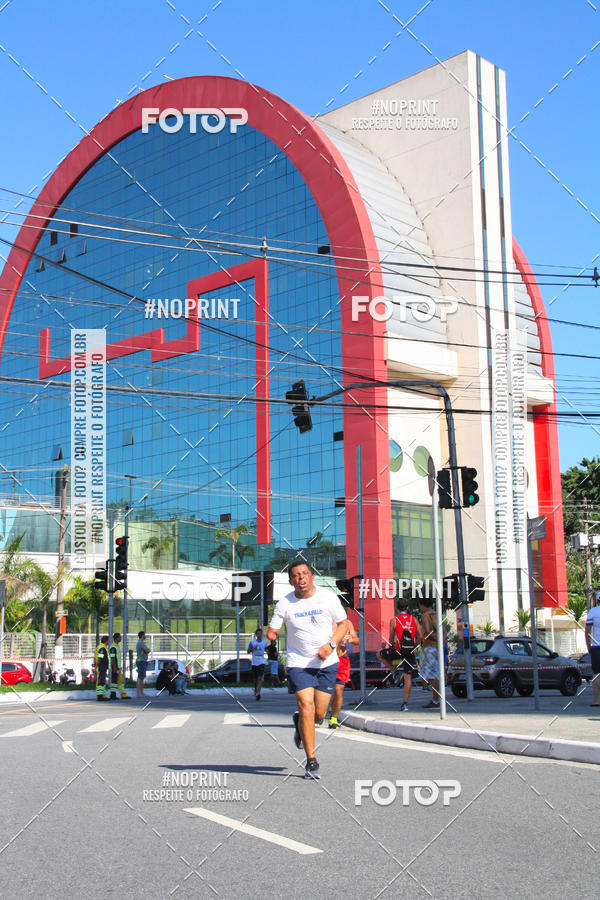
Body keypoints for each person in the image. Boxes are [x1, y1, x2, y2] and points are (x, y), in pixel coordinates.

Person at [267, 560, 348, 780]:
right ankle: (311, 761)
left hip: (326, 662)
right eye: (296, 575)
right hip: (298, 663)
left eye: (304, 574)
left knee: (319, 714)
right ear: (291, 580)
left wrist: (330, 645)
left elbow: (344, 624)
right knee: (306, 706)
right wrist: (272, 634)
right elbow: (273, 627)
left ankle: (300, 724)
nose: (300, 578)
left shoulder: (328, 597)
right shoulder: (284, 603)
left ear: (311, 576)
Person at [376, 599, 422, 711]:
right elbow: (421, 636)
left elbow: (391, 639)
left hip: (398, 650)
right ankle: (405, 704)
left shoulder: (394, 620)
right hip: (410, 651)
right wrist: (414, 646)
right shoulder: (414, 620)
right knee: (408, 678)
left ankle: (395, 672)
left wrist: (392, 646)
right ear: (407, 608)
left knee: (379, 655)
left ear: (397, 608)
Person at [328, 620, 359, 729]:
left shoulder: (347, 623)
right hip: (327, 659)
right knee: (323, 690)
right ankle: (318, 712)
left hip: (343, 659)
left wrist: (350, 639)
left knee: (338, 690)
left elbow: (356, 640)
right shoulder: (324, 619)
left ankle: (334, 718)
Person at [419, 598, 445, 709]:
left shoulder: (425, 616)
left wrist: (435, 639)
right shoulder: (436, 614)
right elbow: (444, 630)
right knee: (437, 673)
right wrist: (441, 642)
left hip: (429, 647)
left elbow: (428, 631)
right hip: (438, 648)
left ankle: (435, 701)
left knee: (432, 675)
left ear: (422, 605)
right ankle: (437, 699)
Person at [585, 592, 600, 707]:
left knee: (596, 674)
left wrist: (588, 646)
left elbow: (587, 631)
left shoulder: (593, 611)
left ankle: (596, 700)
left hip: (596, 648)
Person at [247, 628, 267, 700]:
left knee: (259, 678)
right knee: (255, 679)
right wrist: (253, 649)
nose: (259, 635)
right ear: (256, 635)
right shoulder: (252, 642)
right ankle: (255, 689)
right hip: (254, 662)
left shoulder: (264, 642)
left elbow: (266, 649)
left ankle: (258, 693)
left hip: (261, 661)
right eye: (258, 634)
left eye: (261, 634)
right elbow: (248, 651)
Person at [108, 633, 129, 700]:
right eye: (120, 637)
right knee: (115, 681)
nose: (120, 639)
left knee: (119, 681)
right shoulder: (113, 647)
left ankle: (121, 694)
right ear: (116, 638)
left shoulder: (116, 646)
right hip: (115, 667)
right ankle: (114, 694)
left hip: (118, 667)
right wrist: (114, 667)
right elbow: (113, 658)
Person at [135, 631, 150, 697]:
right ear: (142, 635)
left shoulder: (140, 643)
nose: (145, 636)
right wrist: (148, 650)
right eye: (144, 635)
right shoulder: (141, 643)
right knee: (140, 677)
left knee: (142, 677)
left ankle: (141, 692)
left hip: (142, 661)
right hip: (141, 661)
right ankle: (139, 693)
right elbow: (147, 650)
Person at [94, 635, 110, 701]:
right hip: (101, 667)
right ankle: (100, 696)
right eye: (108, 640)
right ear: (106, 641)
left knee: (102, 681)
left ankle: (102, 695)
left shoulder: (101, 647)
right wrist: (97, 665)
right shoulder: (102, 648)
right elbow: (99, 658)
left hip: (102, 667)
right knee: (101, 682)